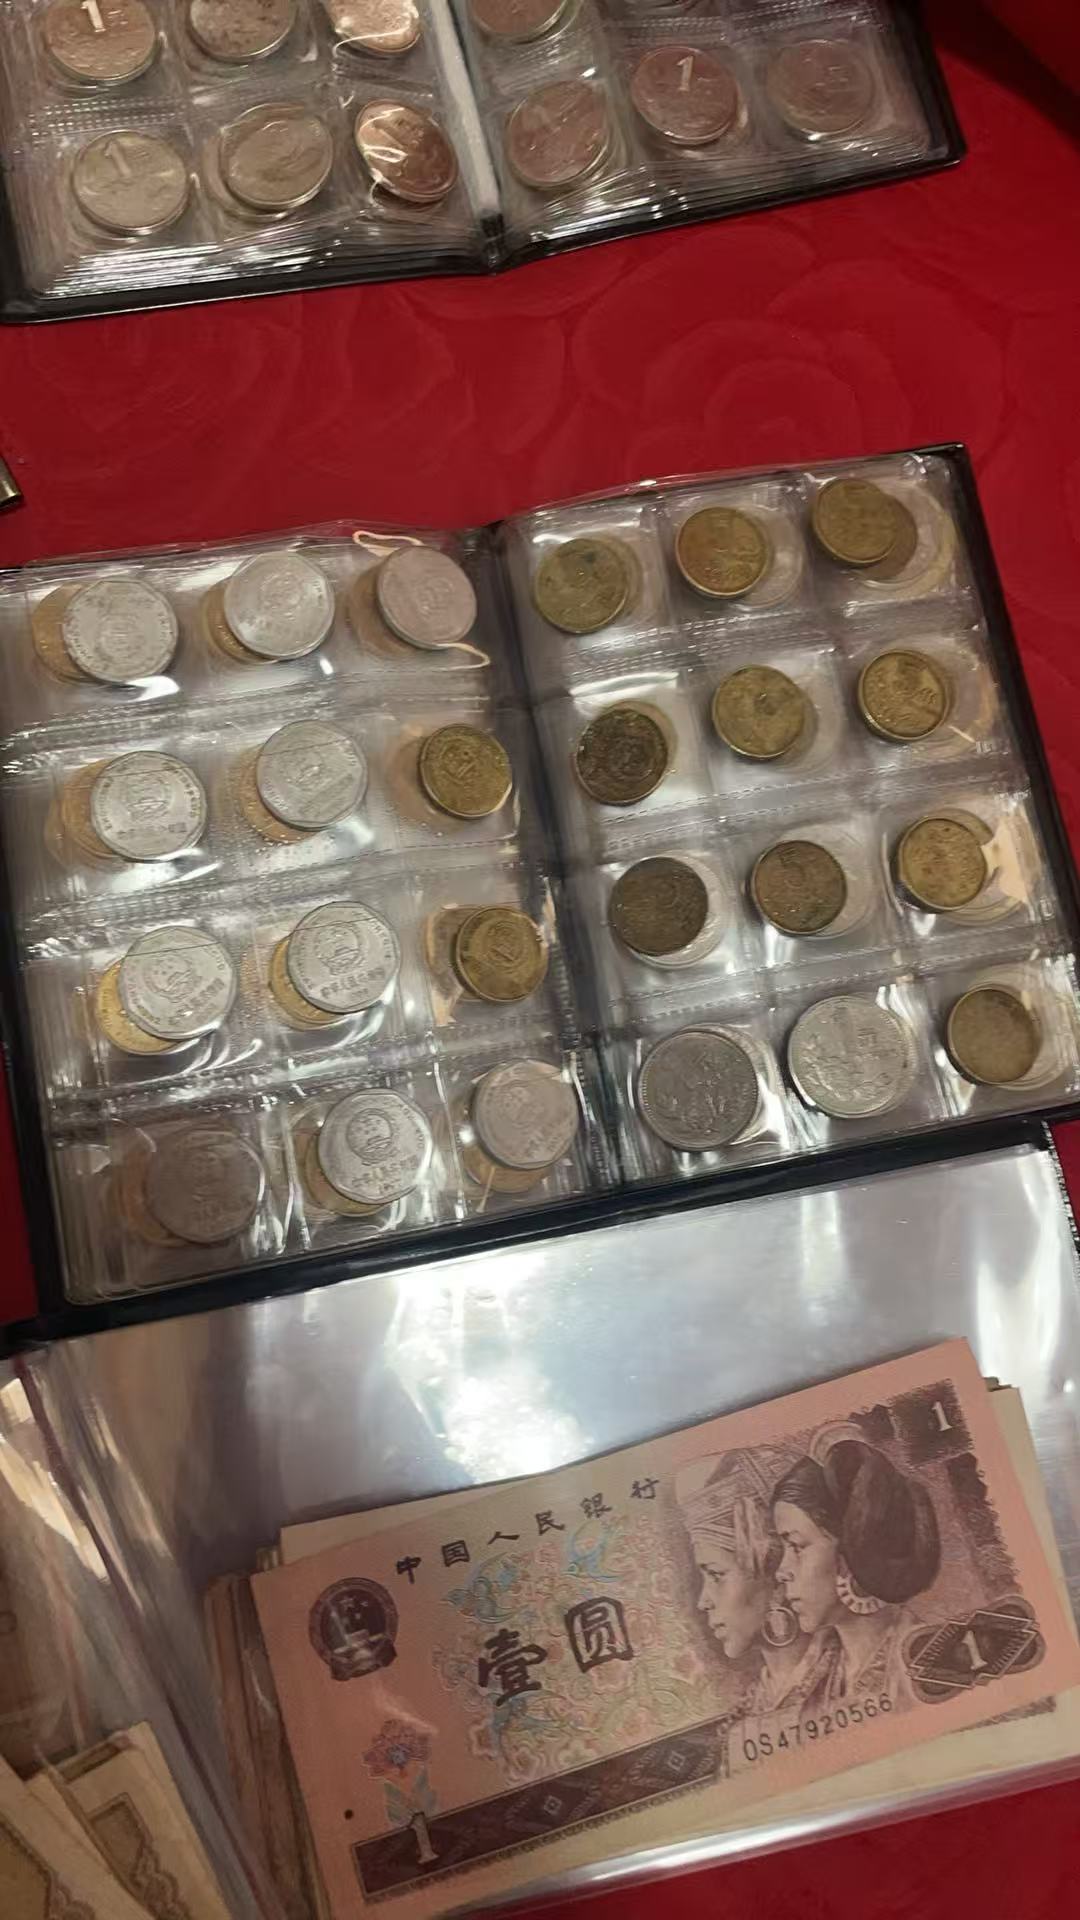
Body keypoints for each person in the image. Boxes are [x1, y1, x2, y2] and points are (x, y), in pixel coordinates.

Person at [771, 1434, 941, 1709]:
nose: (782, 1572)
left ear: (851, 1551)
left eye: (797, 1546)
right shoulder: (812, 1679)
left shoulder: (928, 1664)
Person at [675, 1448, 836, 1717]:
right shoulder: (749, 1710)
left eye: (716, 1575)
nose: (703, 1602)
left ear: (776, 1576)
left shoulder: (849, 1676)